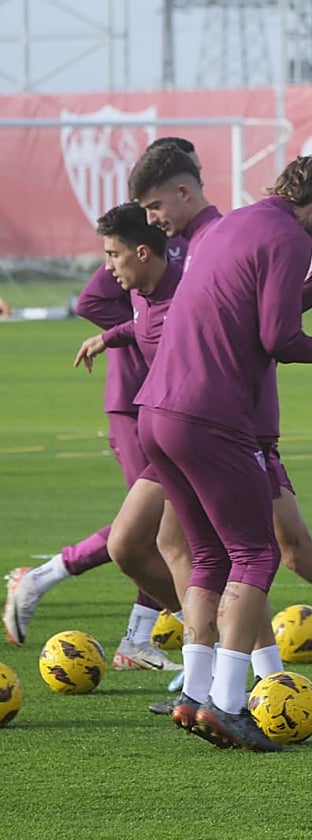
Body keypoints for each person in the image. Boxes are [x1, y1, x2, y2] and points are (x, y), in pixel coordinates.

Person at [124, 144, 312, 707]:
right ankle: (230, 702)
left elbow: (253, 308)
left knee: (206, 557)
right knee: (258, 556)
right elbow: (278, 336)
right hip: (213, 416)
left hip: (155, 412)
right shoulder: (290, 236)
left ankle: (196, 694)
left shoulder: (233, 225)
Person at [3, 139, 205, 665]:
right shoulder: (145, 240)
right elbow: (93, 299)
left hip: (175, 402)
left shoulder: (193, 238)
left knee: (162, 528)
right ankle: (42, 577)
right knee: (147, 526)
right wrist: (145, 331)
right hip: (138, 400)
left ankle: (140, 639)